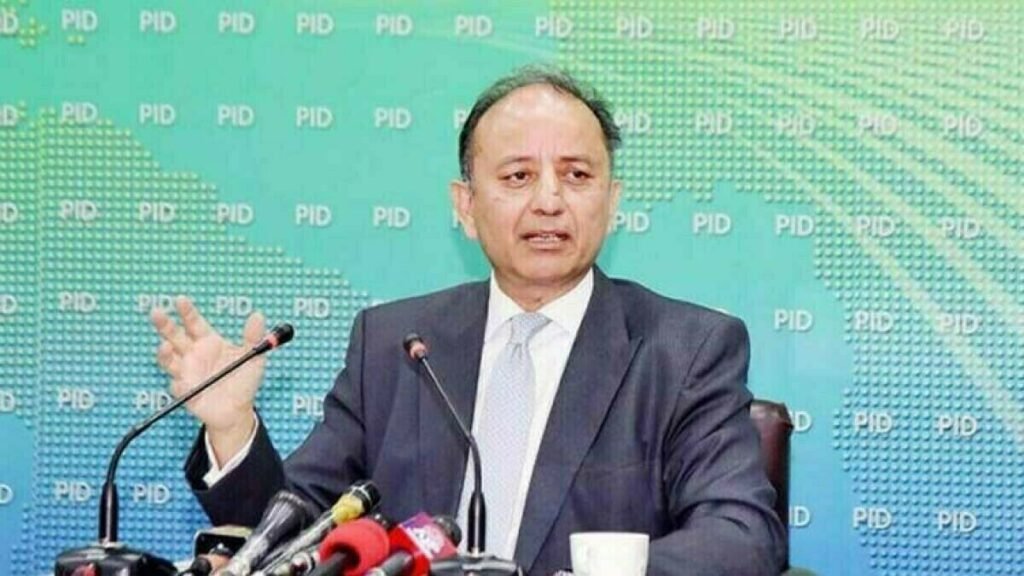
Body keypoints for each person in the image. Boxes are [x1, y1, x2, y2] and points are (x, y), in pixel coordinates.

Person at [151, 66, 786, 576]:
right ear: (466, 206)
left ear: (612, 200)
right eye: (518, 176)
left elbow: (740, 535)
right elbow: (296, 534)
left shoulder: (685, 349)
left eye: (576, 175)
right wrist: (231, 427)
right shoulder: (395, 345)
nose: (549, 199)